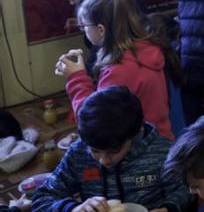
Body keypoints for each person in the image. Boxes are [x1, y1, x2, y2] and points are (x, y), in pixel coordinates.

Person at [31, 86, 190, 212]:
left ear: (136, 132)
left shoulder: (163, 152)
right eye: (95, 151)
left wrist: (170, 208)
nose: (104, 161)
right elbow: (42, 198)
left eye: (114, 151)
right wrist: (72, 207)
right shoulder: (78, 153)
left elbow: (183, 191)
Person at [54, 0, 175, 140]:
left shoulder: (119, 71)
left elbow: (95, 124)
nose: (83, 30)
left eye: (84, 26)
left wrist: (76, 78)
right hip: (161, 138)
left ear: (101, 30)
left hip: (139, 149)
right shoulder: (147, 49)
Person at [57, 0, 107, 73]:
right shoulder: (93, 5)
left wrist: (78, 74)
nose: (71, 3)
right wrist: (80, 22)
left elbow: (98, 50)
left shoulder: (100, 8)